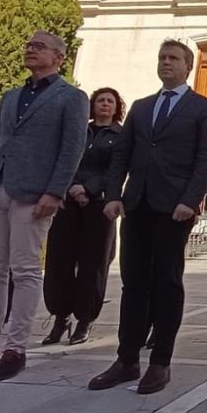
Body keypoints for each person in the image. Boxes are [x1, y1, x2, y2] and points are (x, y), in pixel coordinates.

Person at [0, 31, 89, 383]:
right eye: (28, 45)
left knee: (24, 270)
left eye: (39, 46)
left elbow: (72, 147)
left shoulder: (72, 97)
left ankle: (15, 348)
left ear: (58, 57)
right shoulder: (11, 96)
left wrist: (55, 191)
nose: (30, 49)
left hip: (34, 192)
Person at [88, 40, 207, 395]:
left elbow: (206, 158)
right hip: (138, 205)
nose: (166, 63)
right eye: (162, 58)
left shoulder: (204, 108)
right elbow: (122, 156)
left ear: (188, 66)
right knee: (133, 284)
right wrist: (114, 195)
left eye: (173, 58)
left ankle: (160, 362)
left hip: (174, 208)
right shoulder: (142, 107)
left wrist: (190, 201)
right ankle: (126, 359)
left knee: (167, 282)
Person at [42, 87, 125, 346]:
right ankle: (60, 317)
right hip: (68, 202)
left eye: (110, 101)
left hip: (100, 205)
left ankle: (85, 319)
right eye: (100, 100)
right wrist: (72, 187)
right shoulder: (79, 130)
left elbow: (115, 169)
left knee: (93, 264)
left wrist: (87, 188)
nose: (105, 104)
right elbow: (66, 159)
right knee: (60, 261)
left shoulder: (121, 136)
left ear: (117, 107)